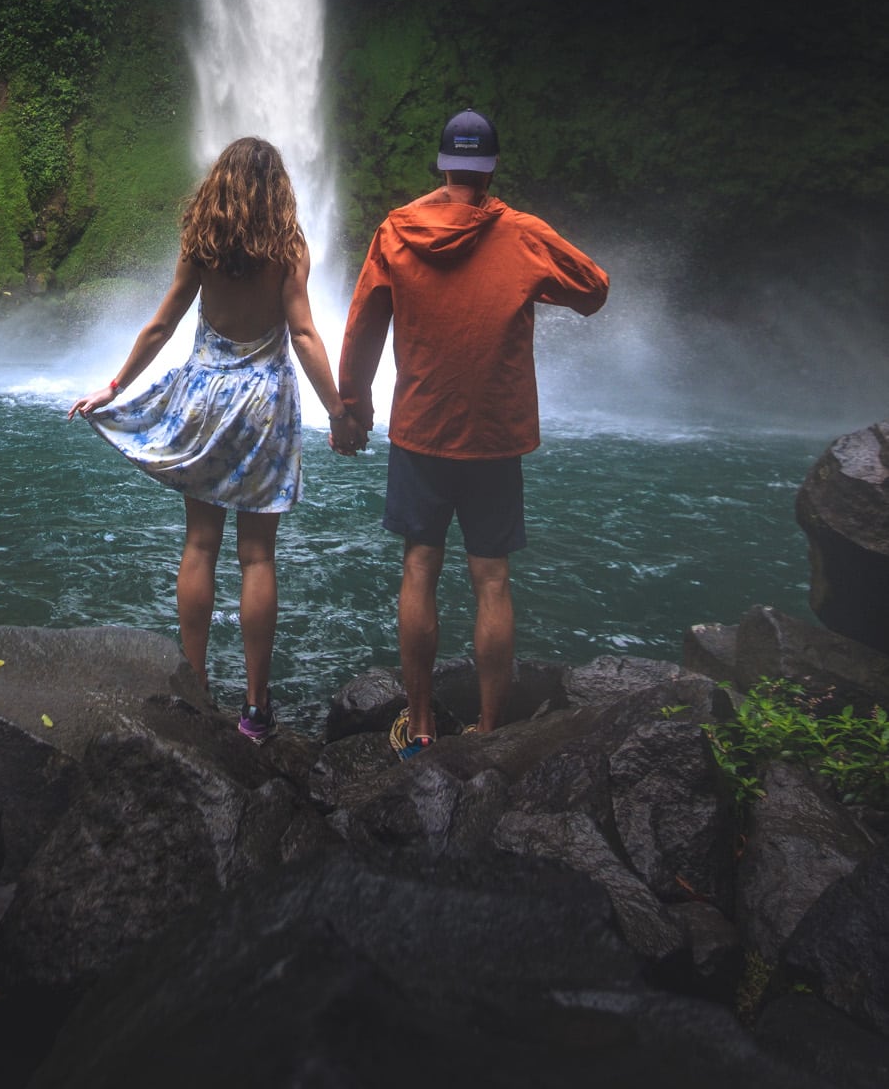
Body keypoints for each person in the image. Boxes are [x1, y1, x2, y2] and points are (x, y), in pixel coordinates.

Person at [70, 136, 364, 741]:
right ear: (277, 189)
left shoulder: (201, 243)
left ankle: (197, 686)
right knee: (258, 555)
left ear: (220, 185)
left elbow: (162, 323)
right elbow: (305, 335)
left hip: (204, 397)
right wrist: (337, 410)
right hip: (263, 405)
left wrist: (114, 386)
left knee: (199, 544)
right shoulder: (289, 247)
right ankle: (257, 707)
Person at [339, 108, 609, 758]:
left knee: (418, 567)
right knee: (491, 580)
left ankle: (423, 721)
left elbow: (363, 325)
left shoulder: (397, 228)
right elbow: (594, 289)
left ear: (440, 165)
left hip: (419, 430)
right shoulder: (520, 234)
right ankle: (489, 732)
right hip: (493, 437)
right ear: (490, 168)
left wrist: (353, 405)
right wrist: (529, 285)